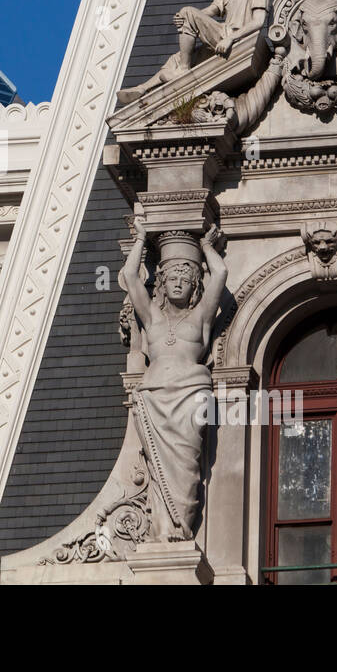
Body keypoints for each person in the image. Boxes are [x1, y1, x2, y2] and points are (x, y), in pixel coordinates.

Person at [120, 214, 227, 541]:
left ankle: (181, 526)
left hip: (189, 398)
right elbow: (129, 276)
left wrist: (207, 246)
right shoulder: (151, 318)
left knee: (186, 469)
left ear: (196, 285)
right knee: (158, 470)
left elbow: (220, 273)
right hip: (154, 397)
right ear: (163, 284)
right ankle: (164, 530)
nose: (178, 284)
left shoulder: (200, 319)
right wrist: (140, 239)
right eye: (172, 279)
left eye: (186, 279)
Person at [116, 0, 270, 106]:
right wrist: (185, 18)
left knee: (188, 13)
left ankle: (184, 71)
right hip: (221, 36)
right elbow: (211, 10)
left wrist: (230, 38)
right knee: (177, 57)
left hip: (237, 40)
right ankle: (142, 89)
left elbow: (258, 22)